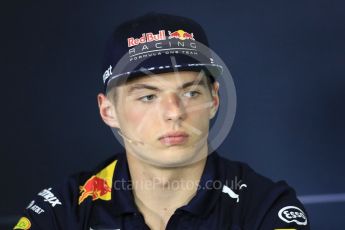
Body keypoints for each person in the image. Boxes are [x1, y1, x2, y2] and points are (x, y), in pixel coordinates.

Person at [14, 13, 310, 230]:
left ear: (214, 100)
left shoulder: (264, 208)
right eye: (148, 97)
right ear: (108, 111)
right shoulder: (62, 210)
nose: (174, 112)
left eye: (191, 92)